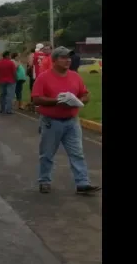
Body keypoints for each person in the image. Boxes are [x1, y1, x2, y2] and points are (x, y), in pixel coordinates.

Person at [31, 47, 102, 195]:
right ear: (55, 60)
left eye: (69, 58)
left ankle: (82, 183)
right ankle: (44, 181)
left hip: (72, 121)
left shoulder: (75, 76)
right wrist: (57, 101)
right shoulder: (44, 77)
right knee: (47, 153)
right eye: (63, 58)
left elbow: (86, 95)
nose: (68, 60)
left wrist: (78, 100)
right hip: (51, 122)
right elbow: (36, 99)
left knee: (77, 153)